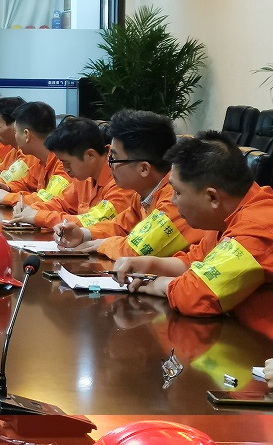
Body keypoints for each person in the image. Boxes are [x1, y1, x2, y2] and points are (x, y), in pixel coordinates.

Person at [115, 131, 273, 322]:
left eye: (178, 192)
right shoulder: (225, 215)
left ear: (212, 197)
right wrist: (150, 264)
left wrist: (158, 284)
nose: (172, 201)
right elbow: (196, 261)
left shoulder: (259, 227)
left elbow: (197, 295)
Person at [53, 110, 209, 258]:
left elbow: (137, 249)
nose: (109, 165)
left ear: (144, 169)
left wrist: (102, 244)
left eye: (114, 159)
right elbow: (120, 226)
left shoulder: (176, 199)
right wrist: (83, 234)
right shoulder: (143, 194)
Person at [8, 116, 138, 229]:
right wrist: (32, 209)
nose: (65, 169)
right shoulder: (84, 175)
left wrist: (39, 216)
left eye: (67, 163)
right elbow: (62, 203)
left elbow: (95, 221)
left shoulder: (122, 178)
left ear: (90, 155)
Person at [0, 101, 69, 206]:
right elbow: (25, 183)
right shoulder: (41, 162)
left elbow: (47, 199)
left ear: (26, 134)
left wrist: (7, 197)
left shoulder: (64, 163)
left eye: (15, 132)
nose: (15, 136)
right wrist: (8, 188)